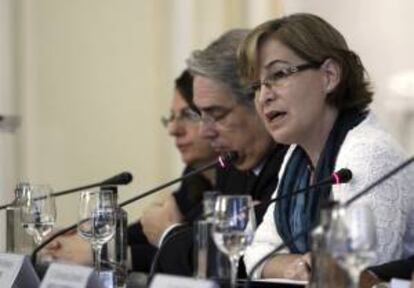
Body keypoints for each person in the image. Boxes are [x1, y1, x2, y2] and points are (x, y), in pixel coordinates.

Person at [237, 13, 414, 280]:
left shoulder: (368, 153)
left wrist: (304, 266)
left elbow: (355, 274)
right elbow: (255, 253)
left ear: (329, 76)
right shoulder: (297, 157)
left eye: (279, 74)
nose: (264, 96)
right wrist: (295, 266)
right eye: (256, 86)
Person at [142, 29, 288, 277]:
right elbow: (208, 240)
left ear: (259, 99)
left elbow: (236, 260)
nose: (206, 132)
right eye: (200, 116)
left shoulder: (295, 160)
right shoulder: (232, 165)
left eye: (217, 115)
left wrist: (170, 236)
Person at [44, 70, 217, 272]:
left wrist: (107, 254)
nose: (173, 129)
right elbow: (145, 234)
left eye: (187, 115)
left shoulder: (241, 176)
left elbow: (202, 255)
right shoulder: (195, 175)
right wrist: (86, 237)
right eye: (171, 117)